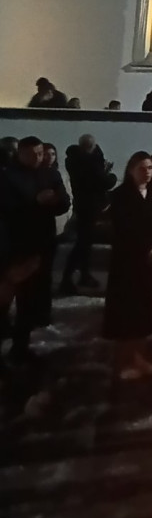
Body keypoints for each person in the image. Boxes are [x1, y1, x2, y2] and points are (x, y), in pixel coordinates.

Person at [1, 136, 71, 362]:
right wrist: (36, 201)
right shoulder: (7, 176)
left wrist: (55, 201)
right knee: (7, 295)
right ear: (20, 154)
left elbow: (65, 202)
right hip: (15, 245)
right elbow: (6, 208)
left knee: (30, 299)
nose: (38, 158)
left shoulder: (50, 174)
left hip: (42, 243)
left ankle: (21, 346)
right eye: (32, 155)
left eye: (40, 154)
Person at [103, 152, 152, 380]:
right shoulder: (121, 196)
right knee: (126, 313)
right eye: (142, 168)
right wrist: (145, 247)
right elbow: (124, 229)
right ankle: (123, 361)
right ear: (131, 170)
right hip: (128, 262)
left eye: (149, 168)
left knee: (143, 311)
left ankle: (139, 356)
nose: (147, 172)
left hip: (148, 262)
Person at [61, 134, 116, 294]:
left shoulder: (74, 160)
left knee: (85, 243)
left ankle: (82, 275)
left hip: (83, 205)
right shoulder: (88, 162)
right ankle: (68, 277)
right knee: (83, 244)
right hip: (90, 207)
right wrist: (110, 175)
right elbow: (103, 182)